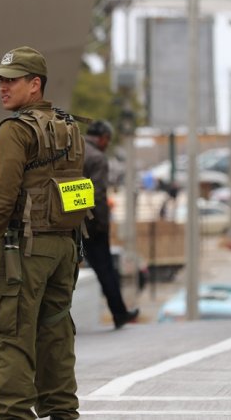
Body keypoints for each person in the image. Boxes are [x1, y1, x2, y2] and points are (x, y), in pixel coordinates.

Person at [0, 46, 89, 420]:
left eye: (12, 81)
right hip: (65, 248)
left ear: (35, 84)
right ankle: (62, 412)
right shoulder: (70, 126)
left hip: (22, 248)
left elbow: (2, 198)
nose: (3, 88)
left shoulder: (15, 130)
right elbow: (76, 189)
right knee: (56, 336)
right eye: (0, 81)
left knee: (9, 337)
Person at [82, 120, 140, 330]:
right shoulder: (97, 158)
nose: (108, 143)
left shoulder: (74, 149)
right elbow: (96, 193)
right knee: (106, 269)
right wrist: (99, 222)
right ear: (103, 137)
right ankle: (120, 313)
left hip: (68, 219)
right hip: (91, 224)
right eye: (108, 139)